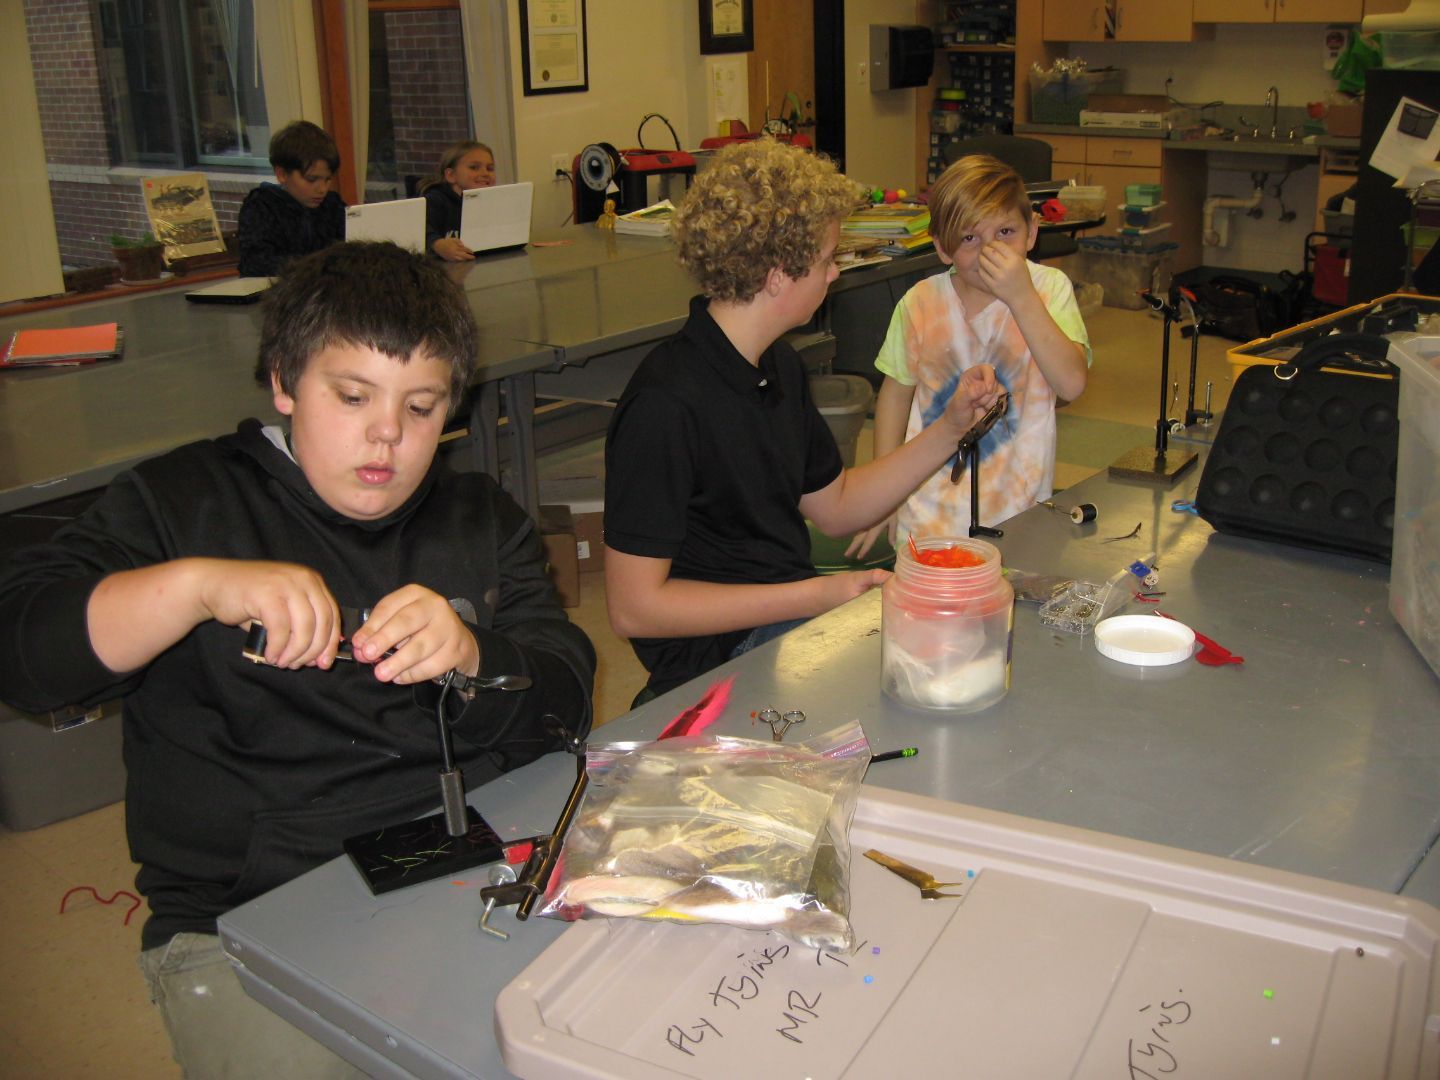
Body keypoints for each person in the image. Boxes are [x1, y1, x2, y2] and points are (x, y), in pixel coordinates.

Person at [0, 242, 596, 1077]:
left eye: (422, 407)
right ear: (283, 382)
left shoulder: (476, 516)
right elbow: (25, 652)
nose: (387, 433)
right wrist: (193, 588)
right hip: (251, 907)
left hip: (463, 859)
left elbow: (566, 697)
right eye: (352, 396)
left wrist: (473, 655)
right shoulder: (181, 502)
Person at [603, 138, 1001, 702]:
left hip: (780, 623)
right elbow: (634, 609)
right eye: (827, 260)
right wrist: (815, 597)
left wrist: (950, 429)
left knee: (963, 641)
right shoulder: (665, 404)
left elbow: (837, 508)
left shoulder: (777, 366)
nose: (835, 273)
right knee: (933, 677)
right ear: (776, 276)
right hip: (716, 661)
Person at [848, 153, 1091, 556]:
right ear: (943, 249)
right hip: (927, 511)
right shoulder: (920, 303)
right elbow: (894, 396)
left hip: (1018, 511)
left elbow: (1071, 384)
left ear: (1032, 232)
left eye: (1006, 232)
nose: (990, 251)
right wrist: (885, 495)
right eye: (969, 238)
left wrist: (1021, 297)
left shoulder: (1049, 291)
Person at [236, 120, 348, 277]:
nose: (322, 189)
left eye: (328, 179)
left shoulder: (333, 205)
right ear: (282, 174)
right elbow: (255, 263)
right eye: (311, 179)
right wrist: (319, 264)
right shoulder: (261, 207)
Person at [420, 139, 498, 262]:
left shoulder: (494, 203)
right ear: (451, 175)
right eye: (474, 167)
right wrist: (437, 244)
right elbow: (418, 228)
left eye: (490, 168)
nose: (485, 173)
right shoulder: (435, 200)